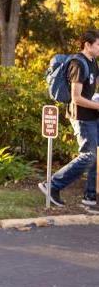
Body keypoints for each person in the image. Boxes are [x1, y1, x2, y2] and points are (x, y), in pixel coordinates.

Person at [40, 30, 99, 208]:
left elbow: (91, 87)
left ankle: (90, 197)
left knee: (95, 155)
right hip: (81, 117)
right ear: (87, 45)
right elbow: (76, 98)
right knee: (88, 156)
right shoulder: (77, 64)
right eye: (98, 45)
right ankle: (52, 185)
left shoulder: (93, 62)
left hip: (92, 115)